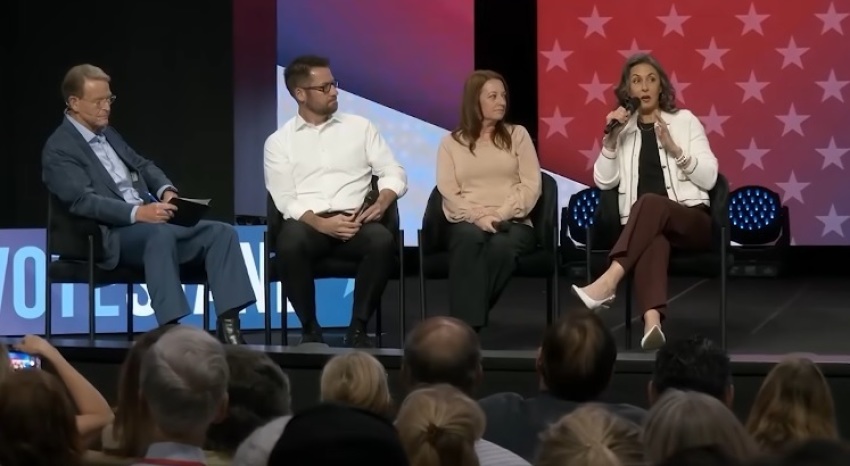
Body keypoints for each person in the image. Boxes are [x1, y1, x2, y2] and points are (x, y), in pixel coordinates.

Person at [41, 64, 256, 345]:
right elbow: (83, 201)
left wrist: (166, 191)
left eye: (109, 99)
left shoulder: (109, 135)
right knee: (160, 233)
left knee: (221, 233)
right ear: (74, 103)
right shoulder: (60, 148)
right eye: (99, 101)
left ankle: (229, 327)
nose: (106, 107)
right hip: (109, 234)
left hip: (150, 223)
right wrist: (137, 213)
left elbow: (142, 164)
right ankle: (172, 330)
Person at [571, 53, 719, 350]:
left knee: (650, 202)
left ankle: (609, 280)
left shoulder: (685, 121)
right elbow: (603, 181)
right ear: (628, 91)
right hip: (646, 230)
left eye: (651, 80)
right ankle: (652, 325)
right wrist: (610, 142)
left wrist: (676, 150)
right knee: (654, 239)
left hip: (691, 222)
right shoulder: (623, 130)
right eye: (637, 81)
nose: (645, 87)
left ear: (661, 87)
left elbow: (710, 178)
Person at [264, 55, 407, 348]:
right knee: (289, 242)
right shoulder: (279, 142)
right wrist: (320, 223)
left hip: (356, 221)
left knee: (381, 241)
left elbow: (393, 171)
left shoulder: (360, 128)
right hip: (310, 223)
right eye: (325, 87)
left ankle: (357, 328)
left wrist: (383, 200)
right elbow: (284, 198)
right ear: (300, 94)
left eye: (334, 84)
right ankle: (309, 329)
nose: (334, 91)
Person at [436, 70, 542, 332]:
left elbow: (531, 185)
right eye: (493, 96)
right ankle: (468, 327)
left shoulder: (518, 135)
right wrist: (477, 216)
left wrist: (500, 214)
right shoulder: (450, 143)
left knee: (502, 248)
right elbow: (448, 191)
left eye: (503, 96)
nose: (501, 102)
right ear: (475, 101)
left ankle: (463, 329)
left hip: (514, 222)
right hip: (468, 221)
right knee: (467, 239)